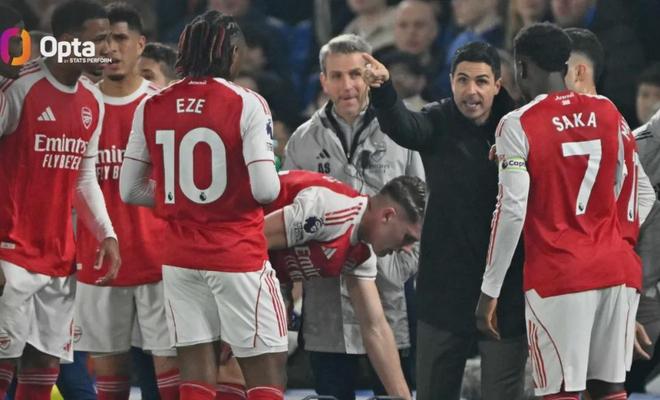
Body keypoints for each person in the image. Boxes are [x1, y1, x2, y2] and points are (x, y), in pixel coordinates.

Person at [120, 10, 287, 400]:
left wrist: (178, 198)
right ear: (231, 53)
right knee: (266, 365)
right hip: (236, 253)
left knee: (195, 368)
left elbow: (130, 190)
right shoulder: (247, 103)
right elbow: (265, 190)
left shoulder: (152, 104)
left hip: (179, 257)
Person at [475, 22, 641, 400]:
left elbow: (511, 209)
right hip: (614, 267)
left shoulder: (516, 124)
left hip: (558, 275)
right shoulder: (607, 110)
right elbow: (628, 185)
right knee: (609, 389)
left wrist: (489, 290)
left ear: (521, 68)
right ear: (566, 67)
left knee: (559, 391)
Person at [364, 41, 527, 400]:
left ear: (497, 85)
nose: (471, 91)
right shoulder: (438, 119)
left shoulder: (520, 125)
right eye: (463, 80)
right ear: (451, 81)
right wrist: (384, 91)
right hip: (444, 287)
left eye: (481, 81)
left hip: (507, 287)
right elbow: (406, 127)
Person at [283, 33, 424, 400]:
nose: (347, 85)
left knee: (395, 391)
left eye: (356, 74)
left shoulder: (399, 131)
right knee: (331, 393)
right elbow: (287, 217)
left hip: (390, 295)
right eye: (337, 76)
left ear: (370, 76)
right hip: (326, 297)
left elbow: (421, 209)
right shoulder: (302, 141)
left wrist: (398, 269)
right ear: (323, 81)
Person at [0, 1, 121, 399]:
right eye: (99, 39)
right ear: (69, 41)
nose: (108, 49)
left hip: (58, 258)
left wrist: (105, 233)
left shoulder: (92, 100)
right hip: (10, 253)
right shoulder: (19, 88)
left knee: (43, 367)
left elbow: (83, 176)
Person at [215, 170, 422, 400]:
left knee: (271, 374)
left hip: (245, 267)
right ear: (387, 216)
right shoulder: (330, 210)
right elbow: (243, 245)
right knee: (238, 369)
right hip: (215, 242)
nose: (407, 249)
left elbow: (375, 328)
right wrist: (227, 320)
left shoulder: (361, 253)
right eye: (408, 238)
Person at [73, 4, 180, 400]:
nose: (110, 48)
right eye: (102, 40)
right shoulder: (77, 105)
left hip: (161, 262)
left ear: (140, 44)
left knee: (170, 374)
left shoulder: (163, 105)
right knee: (109, 377)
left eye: (120, 38)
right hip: (97, 262)